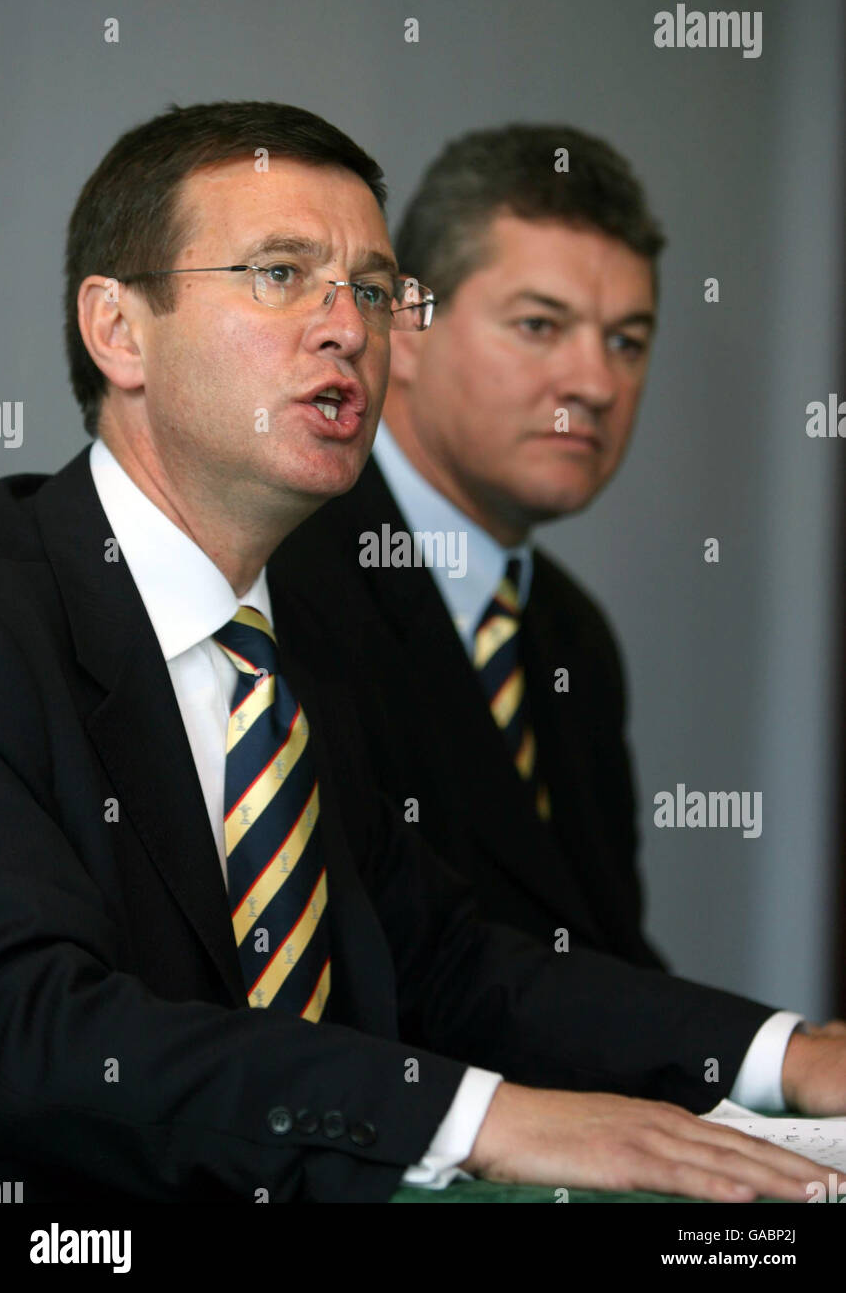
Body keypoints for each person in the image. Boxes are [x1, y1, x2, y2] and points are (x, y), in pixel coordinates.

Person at [0, 100, 844, 1206]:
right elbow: (29, 1029)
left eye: (374, 291)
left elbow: (447, 962)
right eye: (280, 273)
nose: (348, 327)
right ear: (118, 329)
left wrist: (785, 1054)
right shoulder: (2, 612)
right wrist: (479, 1119)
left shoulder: (294, 644)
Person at [271, 124, 670, 969]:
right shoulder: (281, 580)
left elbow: (602, 963)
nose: (594, 384)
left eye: (627, 341)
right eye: (539, 324)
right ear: (405, 330)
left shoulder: (573, 635)